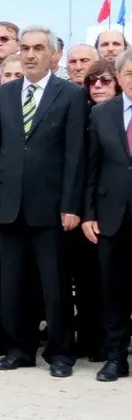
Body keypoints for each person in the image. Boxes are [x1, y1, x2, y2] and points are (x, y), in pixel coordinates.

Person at [0, 26, 84, 378]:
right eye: (24, 48)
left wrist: (71, 204)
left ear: (53, 54)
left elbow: (75, 156)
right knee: (12, 284)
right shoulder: (4, 94)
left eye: (38, 48)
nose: (30, 54)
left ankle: (60, 352)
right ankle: (19, 349)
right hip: (8, 204)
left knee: (54, 285)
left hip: (51, 207)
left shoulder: (69, 94)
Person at [83, 50, 132, 381]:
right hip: (110, 215)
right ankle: (115, 357)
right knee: (113, 290)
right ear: (119, 77)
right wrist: (87, 213)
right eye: (128, 73)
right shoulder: (102, 114)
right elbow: (91, 167)